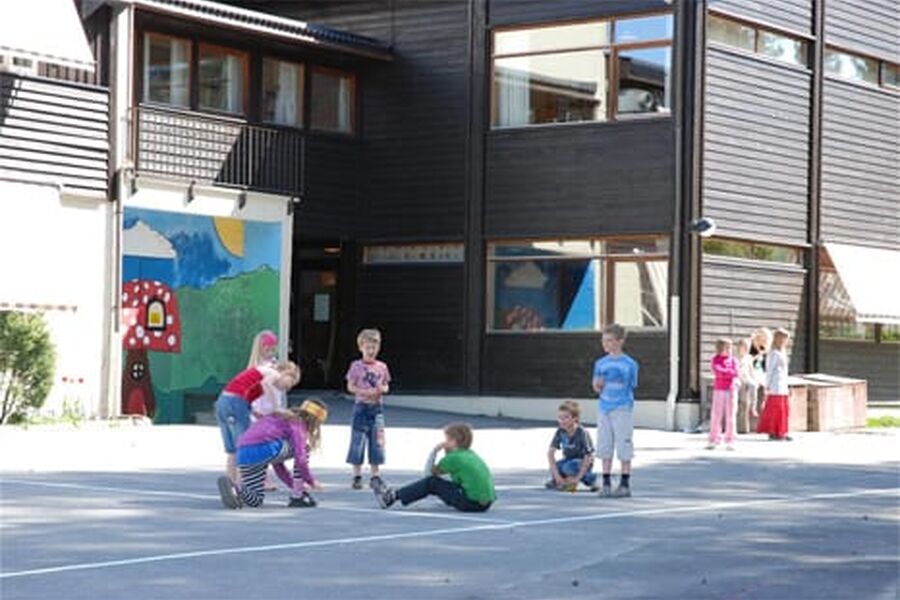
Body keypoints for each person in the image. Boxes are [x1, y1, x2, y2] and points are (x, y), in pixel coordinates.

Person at [217, 398, 328, 509]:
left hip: (243, 455)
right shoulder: (297, 423)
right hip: (264, 450)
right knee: (304, 449)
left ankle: (236, 489)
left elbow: (277, 464)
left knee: (255, 500)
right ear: (314, 421)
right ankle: (297, 497)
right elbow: (300, 458)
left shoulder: (279, 418)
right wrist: (311, 481)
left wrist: (293, 484)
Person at [374, 423, 496, 513]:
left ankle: (392, 497)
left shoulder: (454, 458)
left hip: (471, 503)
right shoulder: (470, 454)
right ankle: (394, 496)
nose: (444, 442)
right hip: (486, 504)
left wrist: (435, 451)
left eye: (447, 439)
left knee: (432, 483)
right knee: (445, 484)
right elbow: (454, 480)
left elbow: (428, 475)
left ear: (453, 442)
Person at [215, 361, 301, 484]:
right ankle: (241, 487)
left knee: (232, 450)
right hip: (235, 402)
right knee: (244, 448)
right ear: (286, 373)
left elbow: (248, 393)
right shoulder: (273, 373)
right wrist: (275, 406)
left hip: (223, 402)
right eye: (290, 383)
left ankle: (230, 483)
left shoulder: (261, 378)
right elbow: (266, 383)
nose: (287, 388)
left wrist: (254, 411)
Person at [592, 323, 639, 498]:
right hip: (604, 408)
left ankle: (625, 483)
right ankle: (606, 482)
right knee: (605, 444)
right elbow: (596, 386)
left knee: (623, 444)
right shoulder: (600, 363)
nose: (606, 344)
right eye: (604, 340)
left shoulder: (630, 364)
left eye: (610, 340)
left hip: (622, 408)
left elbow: (632, 385)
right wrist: (598, 386)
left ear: (620, 341)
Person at [345, 328, 391, 490]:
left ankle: (375, 475)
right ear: (361, 347)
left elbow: (386, 385)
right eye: (367, 347)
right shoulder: (356, 366)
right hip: (361, 407)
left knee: (377, 441)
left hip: (376, 408)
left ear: (378, 348)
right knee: (358, 440)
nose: (371, 351)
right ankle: (356, 475)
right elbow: (350, 385)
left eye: (374, 347)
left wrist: (381, 389)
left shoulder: (382, 367)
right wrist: (363, 392)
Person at [546, 401, 599, 491]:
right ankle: (560, 481)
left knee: (569, 467)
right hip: (568, 460)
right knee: (557, 466)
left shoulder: (582, 432)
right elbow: (550, 453)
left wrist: (577, 478)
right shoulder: (560, 431)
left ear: (575, 418)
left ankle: (590, 479)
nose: (562, 420)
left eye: (566, 417)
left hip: (582, 462)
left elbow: (588, 456)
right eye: (560, 417)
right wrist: (557, 476)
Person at [757, 328, 792, 441]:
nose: (784, 342)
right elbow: (770, 369)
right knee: (775, 410)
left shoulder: (783, 352)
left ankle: (782, 431)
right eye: (782, 339)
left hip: (783, 384)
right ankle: (773, 431)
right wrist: (767, 384)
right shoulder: (773, 353)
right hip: (775, 385)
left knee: (783, 410)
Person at [707, 338, 740, 450]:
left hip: (731, 389)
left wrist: (725, 372)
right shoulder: (715, 359)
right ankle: (714, 439)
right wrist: (727, 372)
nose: (729, 350)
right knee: (716, 415)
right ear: (720, 348)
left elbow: (736, 372)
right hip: (719, 389)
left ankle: (730, 440)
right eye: (727, 347)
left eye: (730, 347)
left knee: (731, 416)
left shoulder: (734, 360)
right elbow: (717, 371)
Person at [736, 338, 759, 433]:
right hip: (738, 377)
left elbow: (751, 370)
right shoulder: (735, 358)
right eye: (742, 346)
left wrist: (755, 379)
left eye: (745, 347)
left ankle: (753, 407)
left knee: (753, 385)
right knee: (738, 388)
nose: (743, 349)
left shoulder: (748, 358)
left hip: (747, 377)